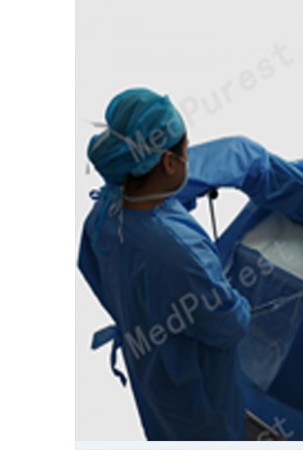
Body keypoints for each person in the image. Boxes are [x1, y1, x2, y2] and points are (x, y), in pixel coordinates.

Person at [78, 88, 251, 440]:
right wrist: (241, 298)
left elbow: (92, 268)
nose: (190, 159)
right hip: (199, 400)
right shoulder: (180, 256)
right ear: (170, 163)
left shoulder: (104, 215)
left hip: (149, 368)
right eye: (186, 151)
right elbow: (231, 325)